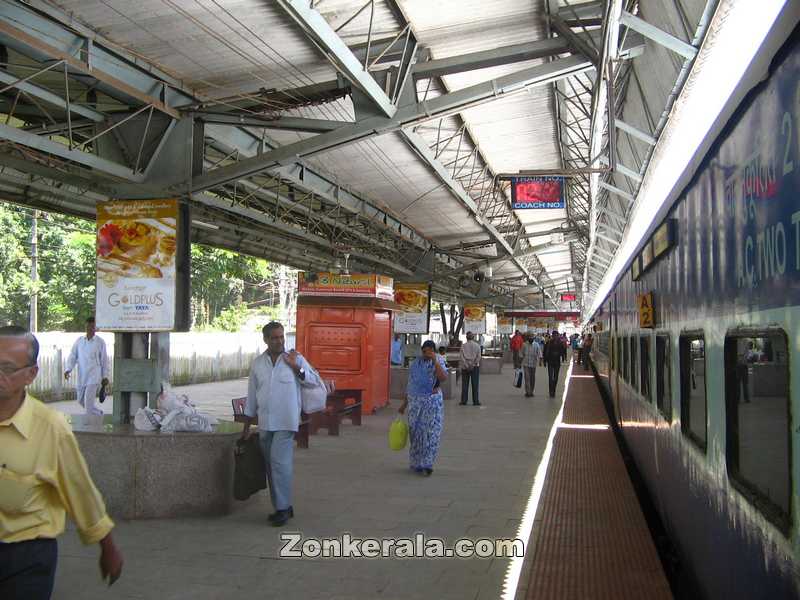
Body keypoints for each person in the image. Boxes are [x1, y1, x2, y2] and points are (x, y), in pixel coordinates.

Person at [0, 326, 123, 600]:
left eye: (6, 368)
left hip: (27, 555)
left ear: (31, 374)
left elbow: (79, 489)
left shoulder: (50, 428)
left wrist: (108, 545)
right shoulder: (80, 342)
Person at [240, 322, 321, 527]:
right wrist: (246, 426)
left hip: (287, 421)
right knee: (271, 465)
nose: (279, 341)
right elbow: (252, 396)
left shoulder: (294, 358)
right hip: (266, 423)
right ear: (266, 340)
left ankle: (282, 509)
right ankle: (283, 506)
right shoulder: (258, 363)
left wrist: (297, 367)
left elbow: (312, 381)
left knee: (279, 464)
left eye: (282, 337)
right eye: (275, 338)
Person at [398, 340, 447, 476]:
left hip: (432, 402)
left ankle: (427, 463)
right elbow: (411, 384)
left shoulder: (439, 361)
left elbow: (443, 377)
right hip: (415, 403)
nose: (427, 354)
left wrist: (435, 361)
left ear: (434, 350)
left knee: (431, 433)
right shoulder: (416, 364)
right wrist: (404, 404)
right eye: (424, 351)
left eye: (430, 351)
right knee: (416, 433)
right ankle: (416, 462)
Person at [64, 317, 109, 417]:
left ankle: (89, 428)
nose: (90, 329)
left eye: (92, 327)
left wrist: (105, 376)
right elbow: (73, 356)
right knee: (81, 401)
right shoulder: (79, 341)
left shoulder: (100, 342)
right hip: (82, 376)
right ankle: (99, 413)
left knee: (88, 404)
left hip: (94, 377)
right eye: (88, 326)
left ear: (95, 328)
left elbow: (104, 360)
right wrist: (68, 369)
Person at [459, 331, 482, 406]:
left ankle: (464, 401)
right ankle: (475, 401)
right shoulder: (477, 346)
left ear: (466, 337)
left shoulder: (463, 346)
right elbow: (479, 357)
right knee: (475, 384)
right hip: (475, 367)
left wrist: (466, 365)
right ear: (473, 337)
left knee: (465, 384)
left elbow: (462, 357)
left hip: (465, 368)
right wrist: (473, 364)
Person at [543, 330, 564, 398]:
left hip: (557, 363)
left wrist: (559, 355)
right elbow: (544, 352)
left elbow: (562, 352)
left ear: (557, 336)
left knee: (556, 378)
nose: (555, 336)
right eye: (554, 335)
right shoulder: (548, 343)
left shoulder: (560, 343)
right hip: (550, 362)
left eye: (556, 335)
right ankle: (551, 392)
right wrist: (544, 361)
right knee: (550, 377)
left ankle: (553, 390)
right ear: (552, 336)